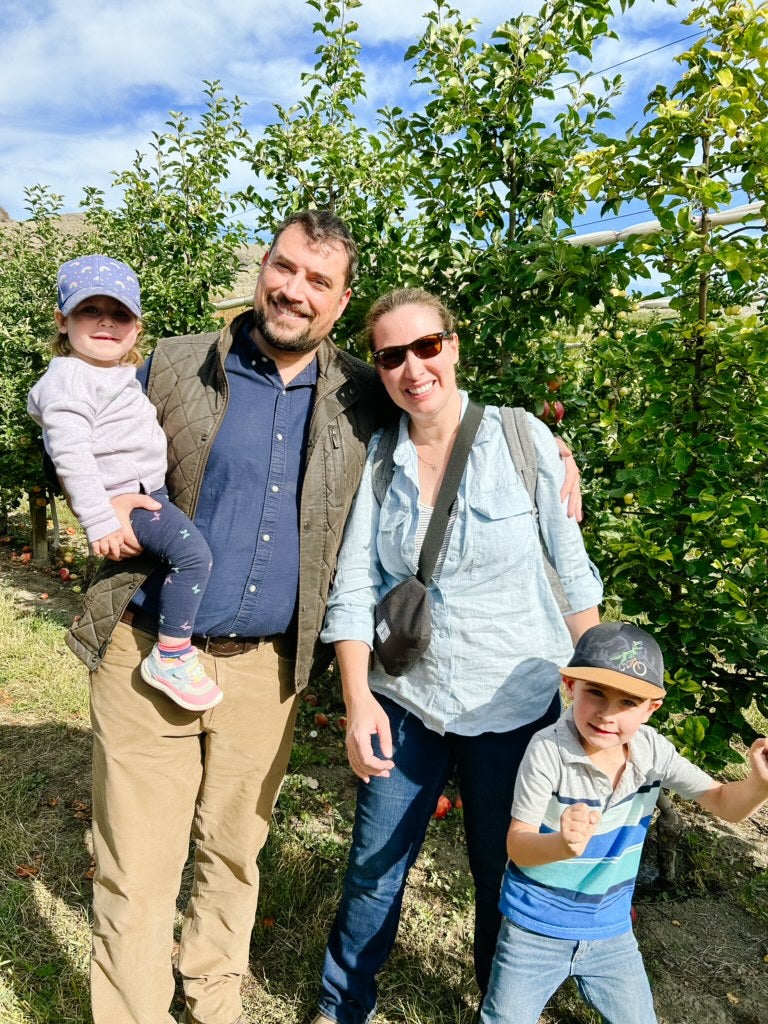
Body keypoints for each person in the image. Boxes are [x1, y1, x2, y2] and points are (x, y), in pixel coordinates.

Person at [67, 216, 581, 1024]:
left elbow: (444, 408)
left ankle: (214, 1005)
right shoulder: (171, 363)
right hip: (149, 647)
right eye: (284, 267)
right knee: (137, 865)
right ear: (262, 268)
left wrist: (549, 449)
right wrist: (93, 498)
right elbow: (74, 406)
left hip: (265, 670)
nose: (293, 290)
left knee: (233, 857)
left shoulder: (360, 391)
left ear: (339, 305)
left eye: (317, 281)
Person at [312, 288, 603, 1024]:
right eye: (391, 355)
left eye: (427, 346)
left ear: (453, 344)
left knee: (501, 872)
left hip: (515, 705)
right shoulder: (380, 460)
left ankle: (503, 1009)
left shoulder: (522, 438)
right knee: (373, 872)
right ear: (378, 367)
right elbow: (352, 588)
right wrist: (358, 700)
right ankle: (341, 1008)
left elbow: (571, 573)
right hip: (409, 702)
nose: (414, 368)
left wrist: (596, 699)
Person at [479, 621, 768, 1024]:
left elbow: (723, 802)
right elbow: (518, 844)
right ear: (569, 685)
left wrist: (759, 784)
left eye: (628, 702)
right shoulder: (547, 751)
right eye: (595, 692)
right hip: (534, 930)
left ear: (652, 708)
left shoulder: (653, 752)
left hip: (610, 933)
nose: (607, 714)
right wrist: (560, 844)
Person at [28, 255, 221, 712]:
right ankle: (172, 654)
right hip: (129, 502)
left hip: (142, 492)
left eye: (119, 315)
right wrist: (100, 520)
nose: (106, 324)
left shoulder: (112, 374)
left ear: (136, 328)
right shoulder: (71, 380)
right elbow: (70, 455)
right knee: (195, 558)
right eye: (89, 311)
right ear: (62, 321)